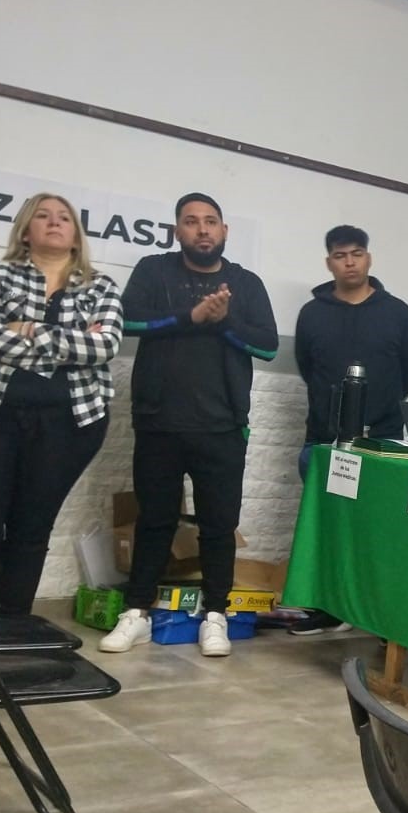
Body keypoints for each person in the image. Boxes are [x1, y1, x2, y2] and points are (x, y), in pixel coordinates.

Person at [99, 192, 278, 657]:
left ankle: (214, 615)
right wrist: (191, 317)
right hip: (159, 422)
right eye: (192, 221)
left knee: (219, 526)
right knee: (154, 521)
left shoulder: (247, 283)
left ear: (224, 231)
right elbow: (128, 322)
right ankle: (137, 611)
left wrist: (221, 323)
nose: (202, 229)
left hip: (222, 426)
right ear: (177, 231)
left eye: (211, 221)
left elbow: (268, 346)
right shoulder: (153, 271)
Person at [0, 192, 122, 615]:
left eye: (64, 218)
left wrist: (30, 330)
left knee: (32, 525)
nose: (54, 222)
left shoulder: (101, 287)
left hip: (72, 421)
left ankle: (13, 628)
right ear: (26, 230)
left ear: (77, 236)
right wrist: (75, 341)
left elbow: (106, 346)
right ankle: (3, 570)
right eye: (42, 216)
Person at [290, 224, 408, 634]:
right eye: (340, 255)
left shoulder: (396, 312)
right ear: (328, 261)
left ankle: (374, 612)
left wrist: (378, 406)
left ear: (369, 257)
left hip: (379, 441)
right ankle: (327, 607)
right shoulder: (312, 313)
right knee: (327, 527)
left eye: (357, 254)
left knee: (374, 528)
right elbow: (306, 368)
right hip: (324, 441)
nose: (349, 262)